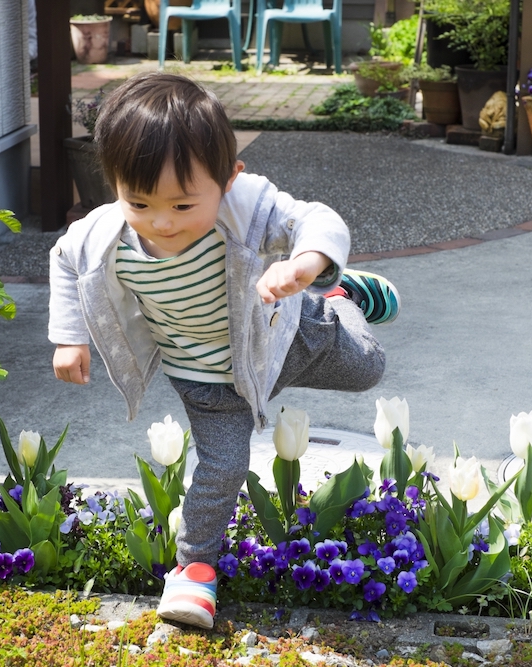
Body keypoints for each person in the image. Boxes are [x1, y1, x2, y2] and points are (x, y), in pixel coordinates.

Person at [48, 72, 400, 629]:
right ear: (112, 180)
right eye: (139, 201)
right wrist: (69, 337)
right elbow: (66, 263)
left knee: (369, 368)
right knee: (222, 466)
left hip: (284, 331)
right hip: (206, 377)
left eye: (184, 206)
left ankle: (338, 292)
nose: (162, 223)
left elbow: (316, 218)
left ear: (228, 179)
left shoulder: (247, 204)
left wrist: (306, 264)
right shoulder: (101, 233)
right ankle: (194, 573)